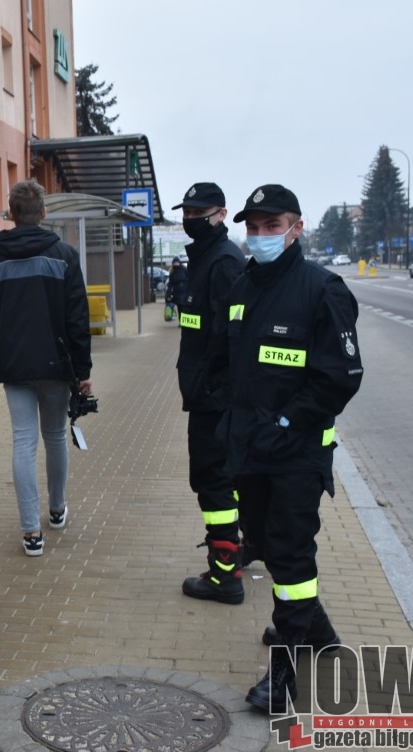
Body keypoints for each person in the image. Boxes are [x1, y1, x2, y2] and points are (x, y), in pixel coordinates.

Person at [212, 184, 362, 713]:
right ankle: (315, 632)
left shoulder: (323, 290)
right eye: (252, 227)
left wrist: (285, 420)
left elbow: (340, 378)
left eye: (271, 226)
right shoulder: (242, 285)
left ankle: (284, 679)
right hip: (250, 450)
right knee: (268, 547)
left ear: (296, 228)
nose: (260, 236)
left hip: (297, 453)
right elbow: (232, 367)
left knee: (293, 556)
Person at [0, 179, 92, 558]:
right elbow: (77, 320)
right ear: (43, 213)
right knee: (54, 435)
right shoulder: (65, 256)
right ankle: (56, 511)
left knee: (23, 440)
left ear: (10, 212)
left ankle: (31, 532)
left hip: (12, 365)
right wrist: (82, 371)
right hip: (57, 365)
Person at [169, 183, 248, 605]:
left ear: (221, 214)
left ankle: (224, 576)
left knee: (212, 481)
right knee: (224, 480)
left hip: (216, 399)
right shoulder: (205, 260)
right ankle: (238, 550)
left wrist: (215, 387)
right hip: (206, 394)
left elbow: (233, 339)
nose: (192, 218)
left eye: (201, 212)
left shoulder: (223, 264)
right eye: (189, 211)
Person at [164, 257, 188, 321]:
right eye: (175, 263)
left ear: (179, 263)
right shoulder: (172, 273)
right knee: (180, 307)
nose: (176, 264)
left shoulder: (184, 270)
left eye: (177, 262)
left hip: (184, 291)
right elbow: (170, 284)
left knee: (184, 307)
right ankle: (181, 321)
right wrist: (168, 294)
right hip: (177, 293)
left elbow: (189, 279)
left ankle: (184, 321)